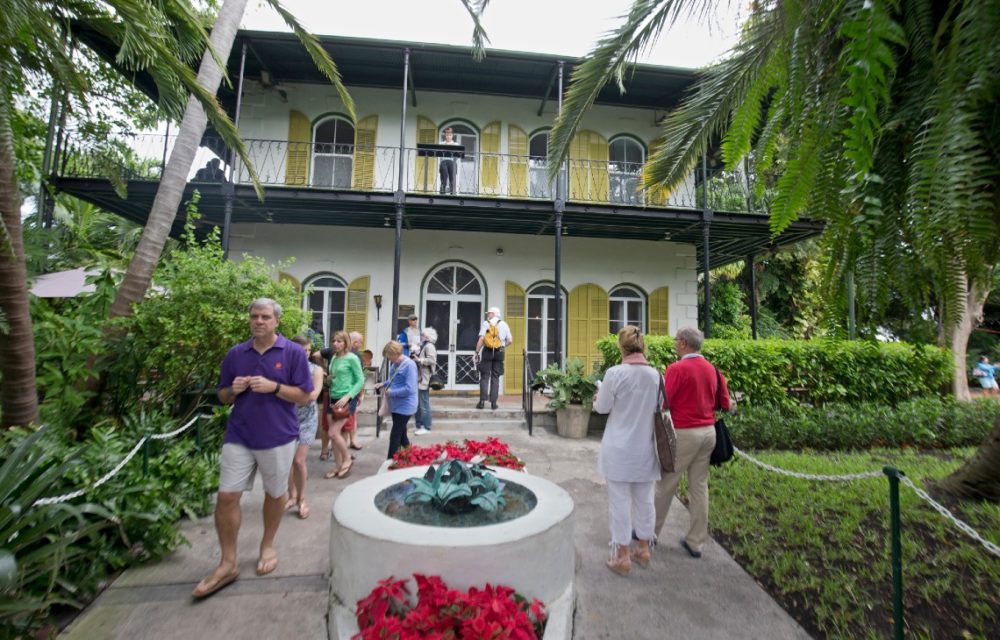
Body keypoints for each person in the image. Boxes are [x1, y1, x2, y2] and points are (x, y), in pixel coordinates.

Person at [192, 298, 313, 598]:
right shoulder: (236, 354)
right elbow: (221, 396)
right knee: (226, 496)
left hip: (279, 436)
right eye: (254, 316)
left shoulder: (293, 353)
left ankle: (267, 545)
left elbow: (304, 396)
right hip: (240, 434)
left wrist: (273, 387)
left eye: (265, 317)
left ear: (276, 321)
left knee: (274, 494)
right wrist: (233, 389)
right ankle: (228, 562)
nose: (258, 321)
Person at [654, 326, 731, 559]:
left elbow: (664, 402)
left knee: (667, 483)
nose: (675, 343)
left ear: (685, 344)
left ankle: (649, 533)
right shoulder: (713, 370)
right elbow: (725, 404)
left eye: (677, 340)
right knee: (699, 487)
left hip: (686, 432)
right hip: (708, 432)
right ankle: (696, 542)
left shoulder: (677, 369)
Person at [593, 326, 661, 576]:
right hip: (646, 447)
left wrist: (597, 396)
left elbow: (602, 408)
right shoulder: (655, 375)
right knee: (645, 501)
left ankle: (622, 554)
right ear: (642, 346)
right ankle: (643, 547)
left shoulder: (615, 373)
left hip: (619, 449)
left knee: (619, 502)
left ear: (621, 347)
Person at [286, 336, 325, 520]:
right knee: (287, 462)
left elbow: (314, 394)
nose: (305, 353)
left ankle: (302, 499)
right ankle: (291, 495)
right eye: (302, 350)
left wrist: (287, 393)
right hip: (286, 418)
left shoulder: (315, 369)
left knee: (299, 461)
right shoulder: (285, 368)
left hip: (307, 419)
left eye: (308, 350)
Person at [323, 331, 364, 480]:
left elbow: (360, 380)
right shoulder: (334, 358)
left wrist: (348, 396)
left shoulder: (352, 358)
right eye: (334, 341)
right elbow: (334, 379)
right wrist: (328, 379)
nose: (335, 344)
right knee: (334, 436)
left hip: (346, 399)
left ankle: (347, 459)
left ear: (346, 342)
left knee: (333, 433)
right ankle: (338, 466)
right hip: (333, 397)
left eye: (339, 341)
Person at [376, 340, 418, 459]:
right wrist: (383, 384)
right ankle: (412, 456)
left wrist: (392, 393)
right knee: (402, 433)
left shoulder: (409, 365)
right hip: (396, 405)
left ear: (394, 354)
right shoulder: (395, 364)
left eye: (389, 356)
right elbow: (394, 380)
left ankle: (390, 461)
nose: (388, 359)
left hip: (405, 406)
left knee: (395, 434)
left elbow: (410, 388)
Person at [475, 306, 513, 410]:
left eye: (490, 313)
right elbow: (510, 340)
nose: (488, 314)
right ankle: (493, 403)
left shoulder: (486, 323)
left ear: (494, 314)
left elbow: (481, 339)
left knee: (484, 376)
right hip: (499, 352)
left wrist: (477, 352)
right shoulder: (504, 324)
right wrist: (501, 346)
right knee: (495, 377)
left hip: (487, 351)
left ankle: (482, 402)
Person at [342, 331, 366, 452]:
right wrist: (361, 393)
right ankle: (344, 452)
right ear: (355, 342)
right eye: (360, 342)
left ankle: (352, 441)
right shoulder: (356, 356)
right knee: (349, 420)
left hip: (341, 391)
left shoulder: (340, 354)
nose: (361, 344)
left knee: (350, 418)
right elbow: (360, 377)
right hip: (351, 392)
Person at [413, 327, 439, 435]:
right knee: (419, 403)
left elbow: (432, 360)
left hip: (425, 378)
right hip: (420, 378)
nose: (421, 336)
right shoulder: (424, 345)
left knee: (424, 403)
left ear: (427, 336)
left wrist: (419, 360)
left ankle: (426, 427)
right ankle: (419, 425)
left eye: (423, 335)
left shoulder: (429, 346)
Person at [438, 127, 460, 194]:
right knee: (444, 175)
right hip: (444, 161)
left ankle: (452, 191)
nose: (448, 137)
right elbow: (438, 153)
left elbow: (458, 155)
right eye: (447, 135)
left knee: (452, 178)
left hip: (452, 162)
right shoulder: (441, 144)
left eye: (450, 135)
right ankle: (442, 190)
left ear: (452, 136)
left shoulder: (456, 144)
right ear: (445, 135)